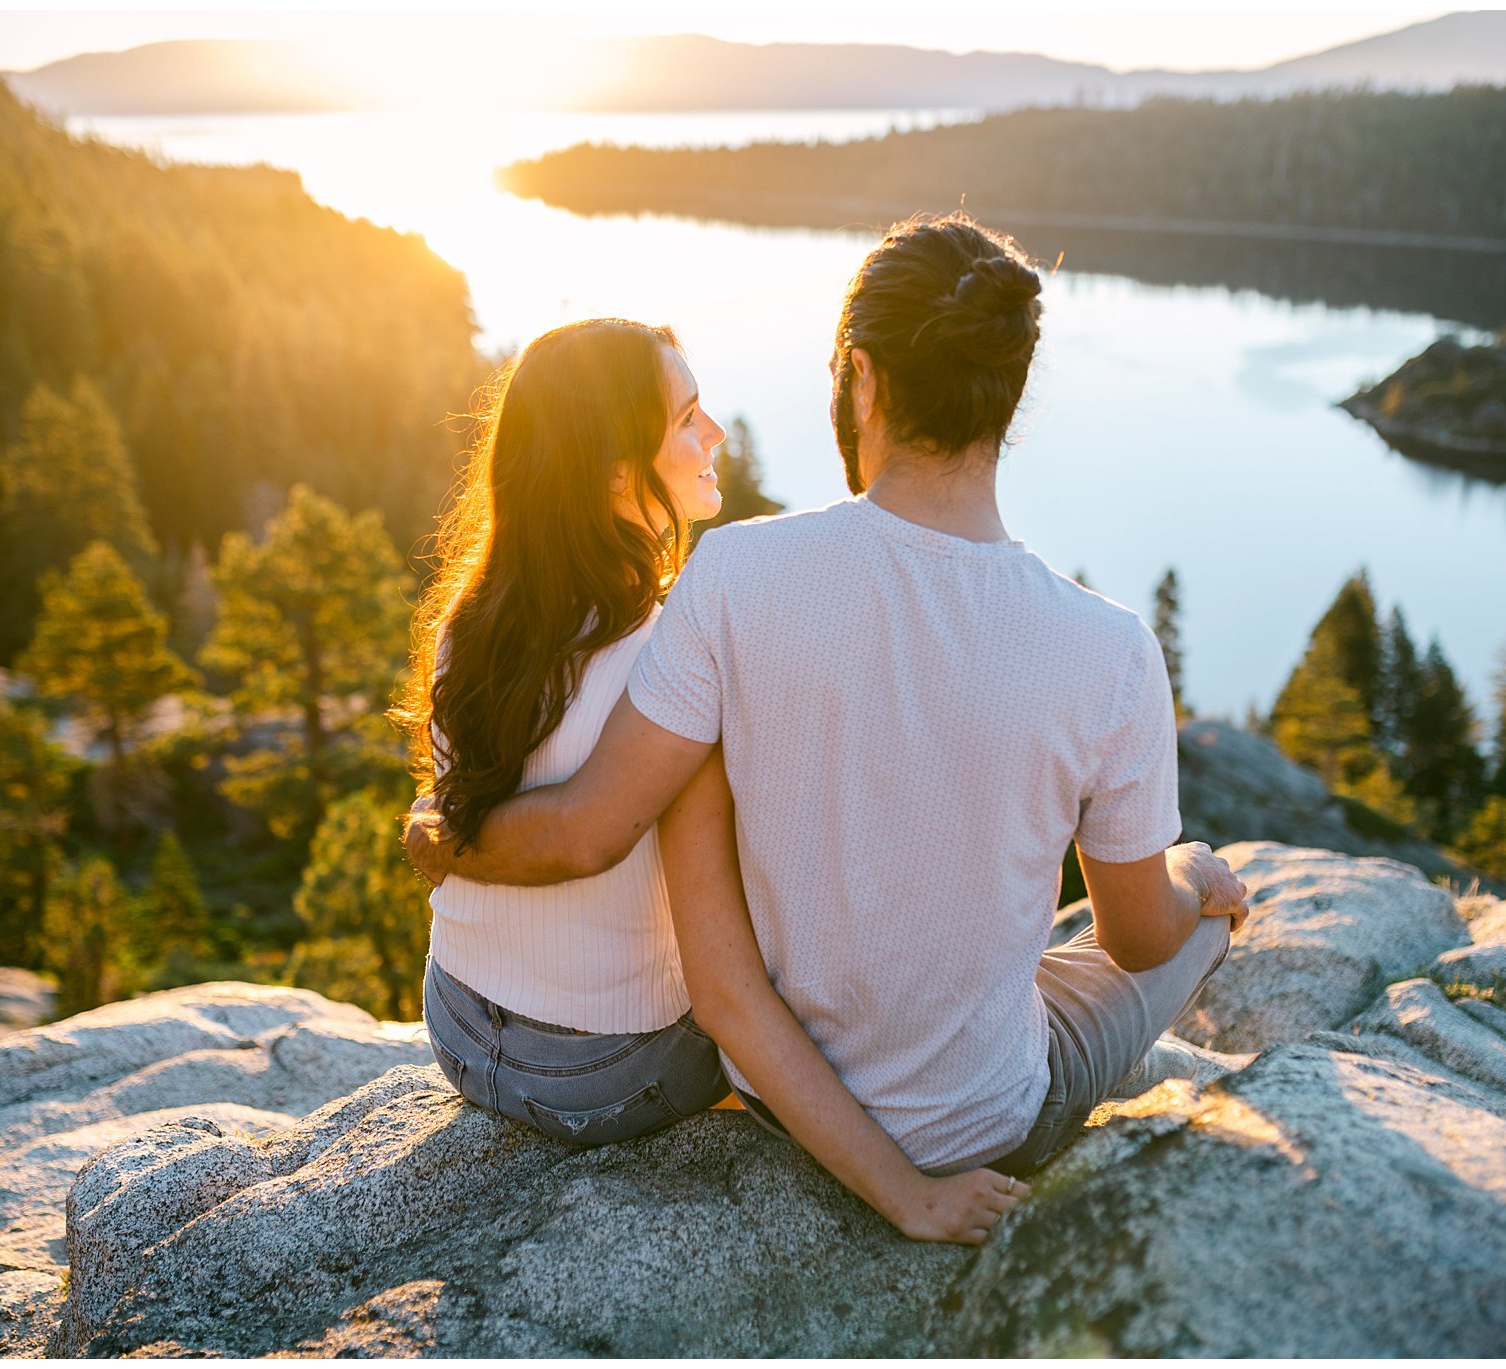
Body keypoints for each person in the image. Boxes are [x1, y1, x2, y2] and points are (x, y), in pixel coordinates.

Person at [406, 213, 1248, 1244]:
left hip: (675, 1075)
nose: (709, 431)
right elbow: (1133, 936)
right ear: (1007, 394)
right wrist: (1194, 882)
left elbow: (596, 827)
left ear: (861, 377)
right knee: (1187, 917)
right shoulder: (1110, 650)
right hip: (975, 1119)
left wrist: (446, 832)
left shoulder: (728, 580)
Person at [392, 317, 733, 1147]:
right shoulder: (673, 653)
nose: (714, 431)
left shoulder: (469, 621)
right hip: (608, 1070)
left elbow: (443, 809)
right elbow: (586, 838)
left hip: (459, 1024)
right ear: (619, 474)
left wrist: (438, 836)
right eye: (688, 418)